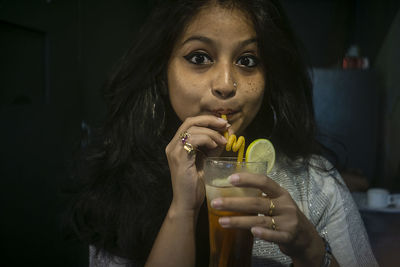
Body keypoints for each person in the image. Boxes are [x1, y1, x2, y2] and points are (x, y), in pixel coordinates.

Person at [67, 0, 377, 266]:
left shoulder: (315, 184)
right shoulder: (118, 186)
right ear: (162, 73)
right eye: (199, 57)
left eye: (247, 60)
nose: (226, 84)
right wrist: (182, 210)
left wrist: (311, 250)